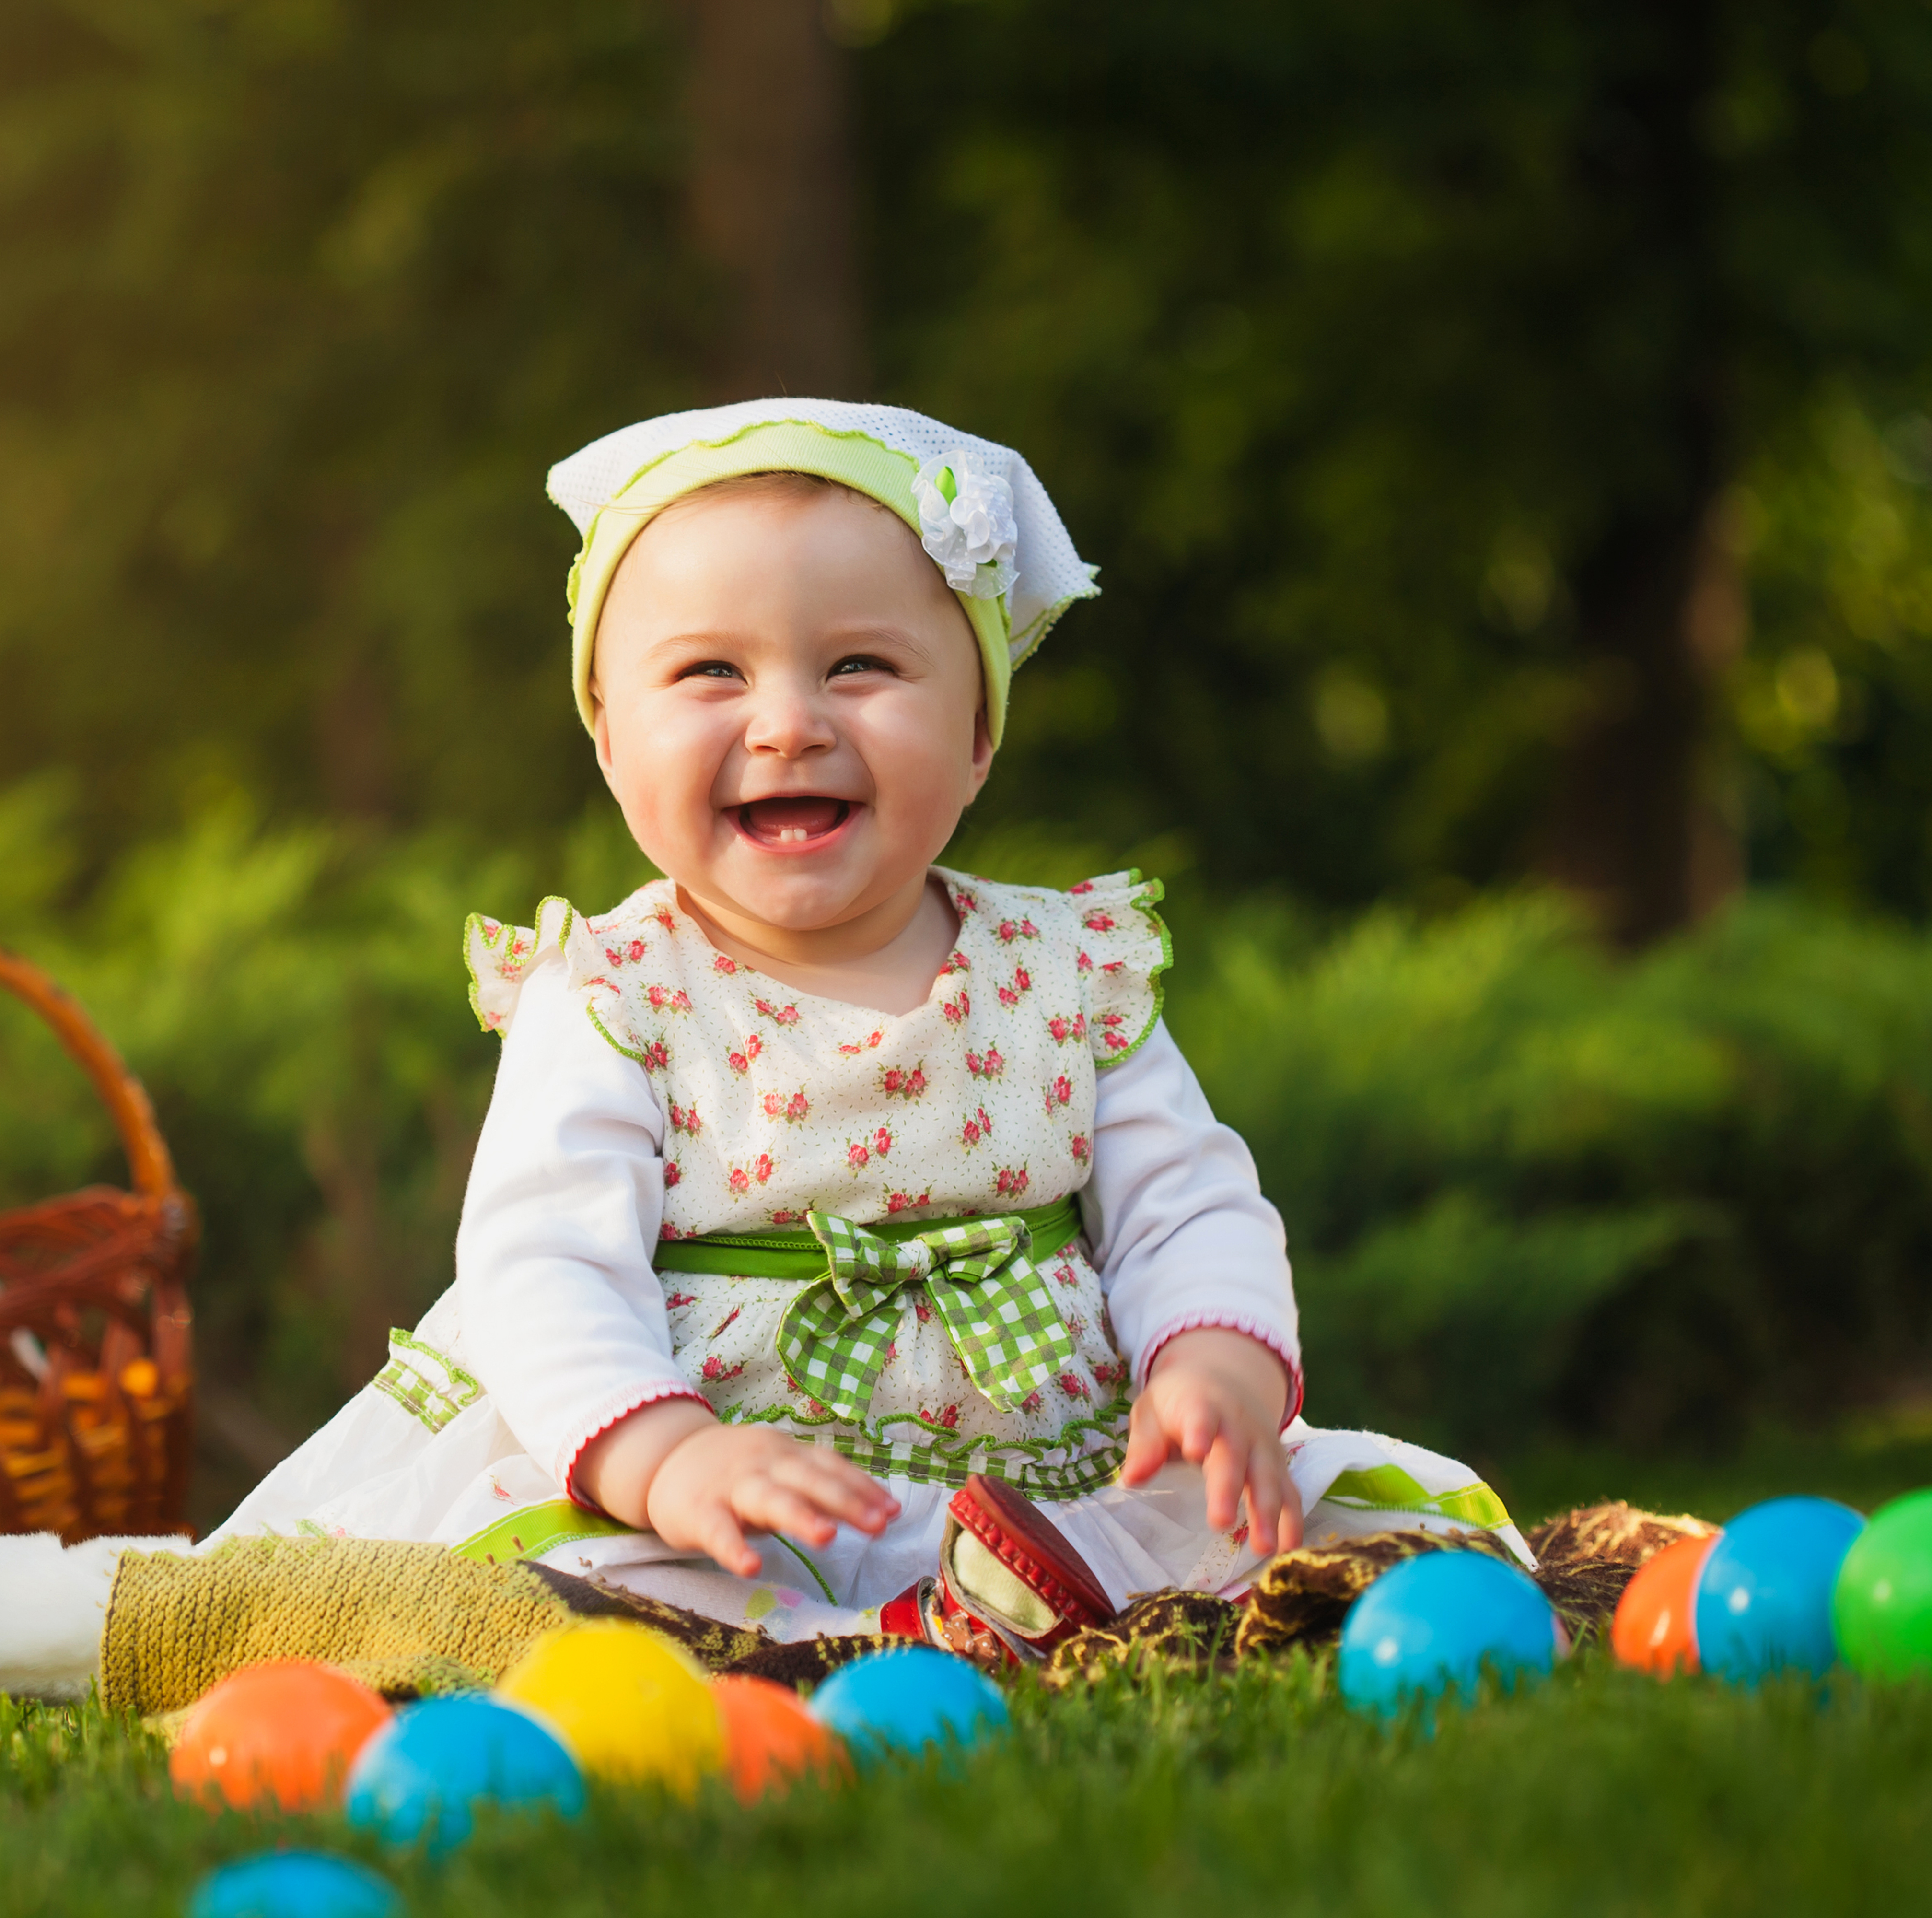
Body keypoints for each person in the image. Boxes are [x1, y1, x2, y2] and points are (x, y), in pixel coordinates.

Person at [214, 399, 1521, 1667]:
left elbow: (1187, 1204)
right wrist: (663, 1456)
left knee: (1279, 1513)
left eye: (860, 666)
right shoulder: (615, 991)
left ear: (977, 736)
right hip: (733, 1475)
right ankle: (834, 1627)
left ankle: (1005, 1599)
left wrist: (1214, 1354)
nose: (789, 721)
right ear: (611, 742)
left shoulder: (1070, 971)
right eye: (710, 672)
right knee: (581, 1585)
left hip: (1047, 1468)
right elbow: (539, 1266)